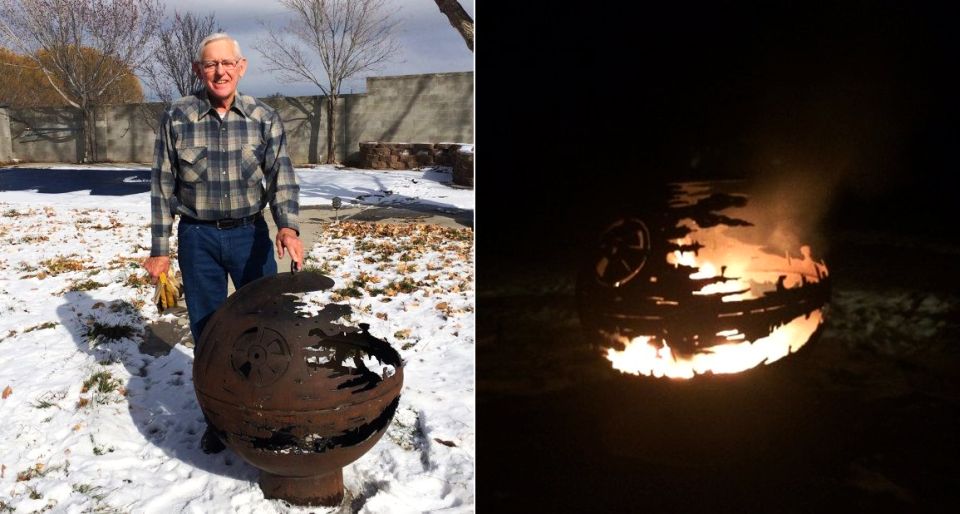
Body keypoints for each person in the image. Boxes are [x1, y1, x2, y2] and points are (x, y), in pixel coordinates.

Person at [143, 32, 304, 453]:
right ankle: (219, 417)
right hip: (198, 239)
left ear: (241, 67)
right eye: (211, 64)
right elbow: (162, 185)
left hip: (251, 235)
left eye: (227, 64)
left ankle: (266, 408)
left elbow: (281, 175)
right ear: (199, 70)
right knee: (209, 330)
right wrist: (160, 248)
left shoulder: (263, 117)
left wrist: (287, 226)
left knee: (265, 324)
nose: (220, 72)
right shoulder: (176, 117)